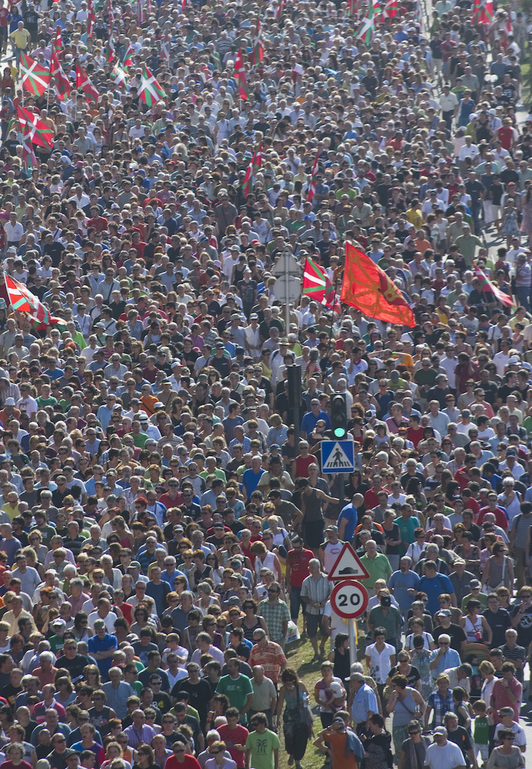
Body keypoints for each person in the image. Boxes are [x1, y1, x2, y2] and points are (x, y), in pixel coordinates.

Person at [275, 669, 311, 769]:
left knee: (301, 737)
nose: (289, 682)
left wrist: (307, 698)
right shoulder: (283, 689)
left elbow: (307, 694)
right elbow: (280, 703)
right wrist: (277, 718)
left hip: (301, 714)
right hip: (289, 715)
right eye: (286, 680)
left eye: (291, 680)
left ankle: (297, 760)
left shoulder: (300, 685)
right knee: (289, 737)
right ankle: (291, 752)